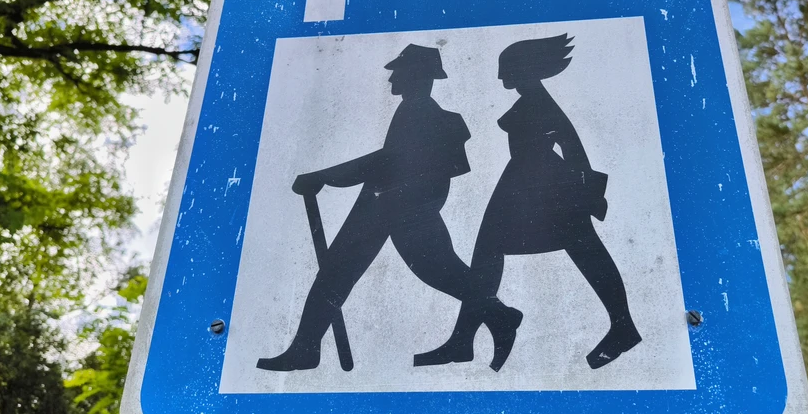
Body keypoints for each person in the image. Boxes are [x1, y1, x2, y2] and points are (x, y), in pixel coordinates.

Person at [257, 43, 520, 371]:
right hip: (390, 205)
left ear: (417, 75)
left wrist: (324, 177)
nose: (392, 77)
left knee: (434, 273)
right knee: (341, 273)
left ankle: (498, 315)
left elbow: (389, 161)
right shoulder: (414, 108)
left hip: (398, 207)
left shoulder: (419, 110)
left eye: (399, 71)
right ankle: (306, 349)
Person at [414, 34, 641, 371]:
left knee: (581, 250)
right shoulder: (534, 99)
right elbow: (568, 144)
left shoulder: (538, 102)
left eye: (506, 68)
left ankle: (623, 327)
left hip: (542, 187)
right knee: (501, 252)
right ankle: (463, 339)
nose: (500, 75)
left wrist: (582, 190)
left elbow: (571, 143)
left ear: (526, 69)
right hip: (526, 185)